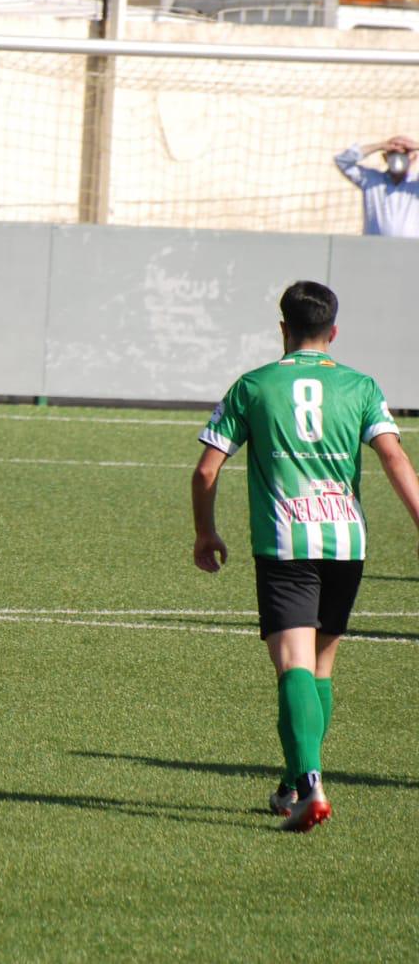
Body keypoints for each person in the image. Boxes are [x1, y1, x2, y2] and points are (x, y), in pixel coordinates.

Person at [191, 280, 419, 833]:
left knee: (293, 664)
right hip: (347, 543)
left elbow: (206, 470)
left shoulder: (254, 386)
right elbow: (394, 457)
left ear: (283, 330)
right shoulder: (361, 386)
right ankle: (292, 783)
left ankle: (311, 785)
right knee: (320, 667)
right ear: (333, 332)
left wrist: (205, 533)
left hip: (286, 542)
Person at [334, 135, 419, 237]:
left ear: (414, 158)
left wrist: (416, 146)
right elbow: (343, 161)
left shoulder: (415, 183)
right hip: (374, 244)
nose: (398, 158)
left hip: (411, 246)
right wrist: (380, 146)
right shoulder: (371, 179)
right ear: (385, 157)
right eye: (393, 154)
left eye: (405, 153)